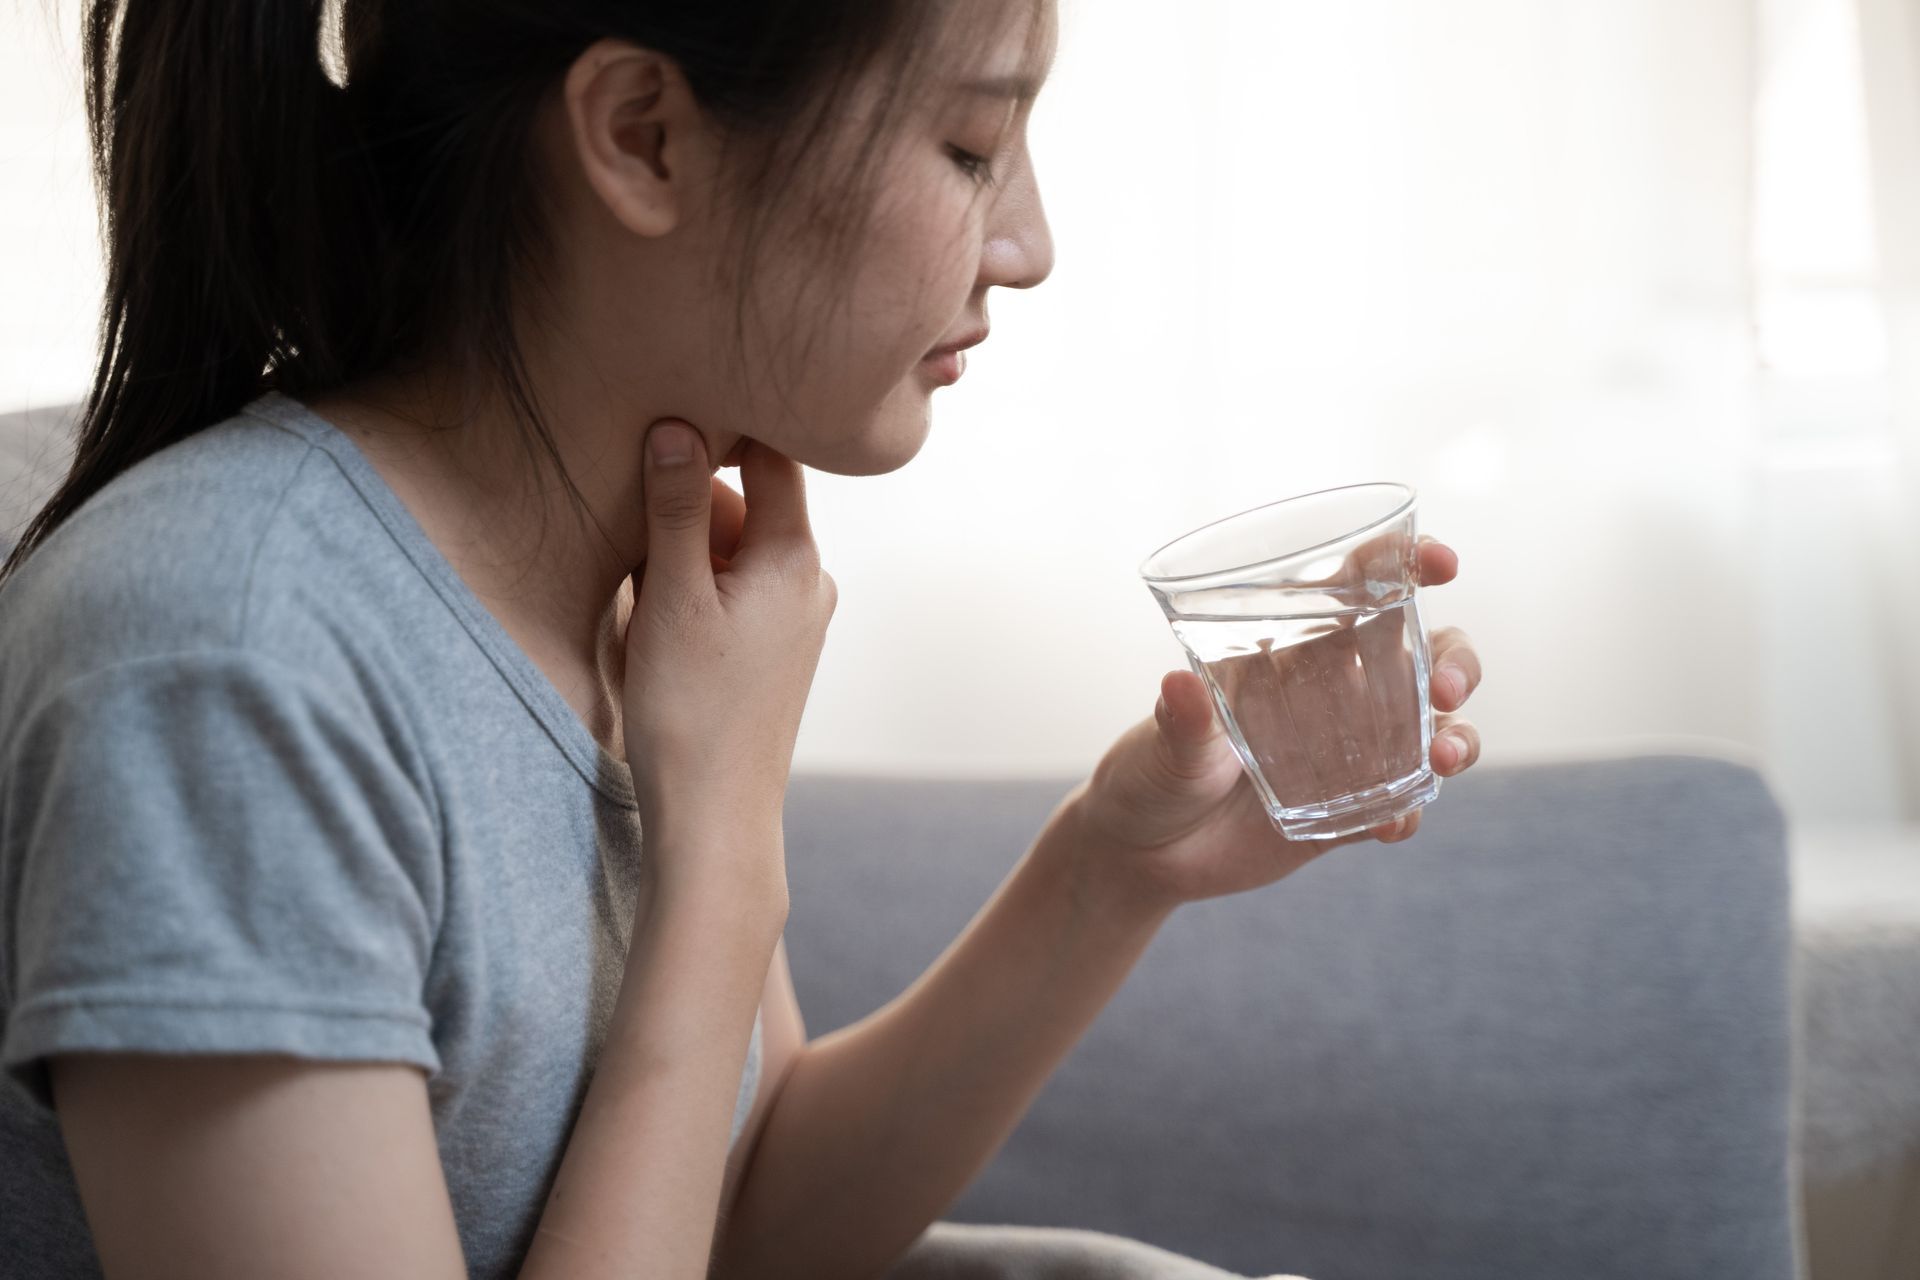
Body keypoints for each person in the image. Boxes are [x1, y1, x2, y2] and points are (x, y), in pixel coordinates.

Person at [0, 0, 1485, 1276]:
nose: (1028, 245)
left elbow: (745, 1221)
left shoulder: (642, 599)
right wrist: (716, 859)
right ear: (644, 132)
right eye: (970, 147)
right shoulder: (226, 665)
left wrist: (1108, 875)